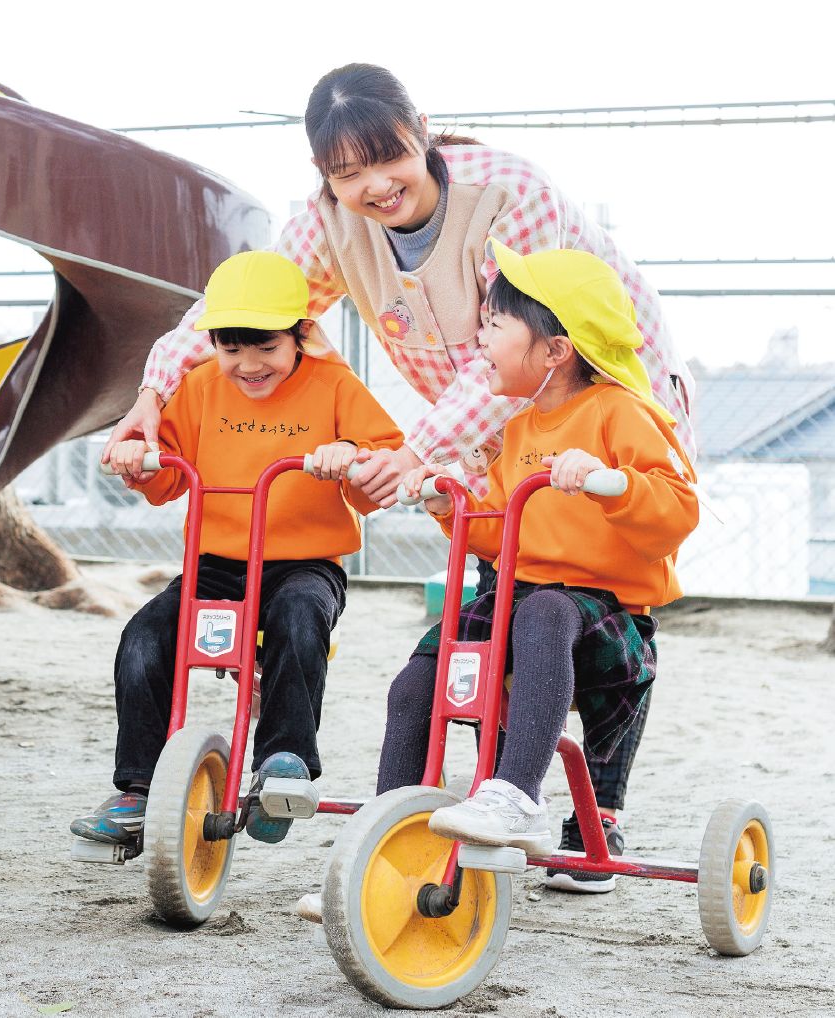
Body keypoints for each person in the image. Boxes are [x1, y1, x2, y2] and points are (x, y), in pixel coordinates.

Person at [104, 64, 695, 885]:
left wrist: (415, 454)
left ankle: (595, 809)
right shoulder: (327, 224)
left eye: (389, 161)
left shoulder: (507, 194)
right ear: (325, 176)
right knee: (503, 594)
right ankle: (425, 821)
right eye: (347, 174)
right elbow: (242, 307)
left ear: (422, 130)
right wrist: (153, 390)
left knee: (589, 586)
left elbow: (531, 340)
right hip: (493, 419)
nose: (375, 187)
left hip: (592, 388)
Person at [72, 251, 405, 848]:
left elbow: (384, 467)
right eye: (231, 348)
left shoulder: (335, 386)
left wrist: (350, 457)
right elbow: (166, 474)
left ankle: (283, 763)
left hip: (305, 563)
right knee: (144, 639)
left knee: (298, 619)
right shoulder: (199, 388)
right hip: (217, 563)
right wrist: (137, 463)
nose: (249, 365)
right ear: (213, 346)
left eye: (266, 348)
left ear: (301, 335)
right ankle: (137, 789)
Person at [380, 241, 698, 863]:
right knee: (417, 681)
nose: (482, 340)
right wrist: (453, 509)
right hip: (519, 601)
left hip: (602, 615)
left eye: (496, 325)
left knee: (545, 611)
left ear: (556, 351)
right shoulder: (519, 428)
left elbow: (676, 511)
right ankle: (388, 838)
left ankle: (518, 794)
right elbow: (501, 536)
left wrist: (612, 482)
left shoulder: (621, 413)